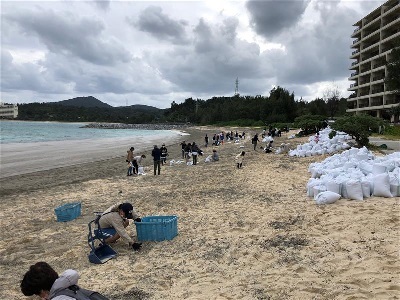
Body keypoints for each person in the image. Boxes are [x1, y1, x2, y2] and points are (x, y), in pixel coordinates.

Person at [20, 262, 109, 299]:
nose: (41, 297)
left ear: (42, 290)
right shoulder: (71, 287)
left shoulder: (60, 298)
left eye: (38, 294)